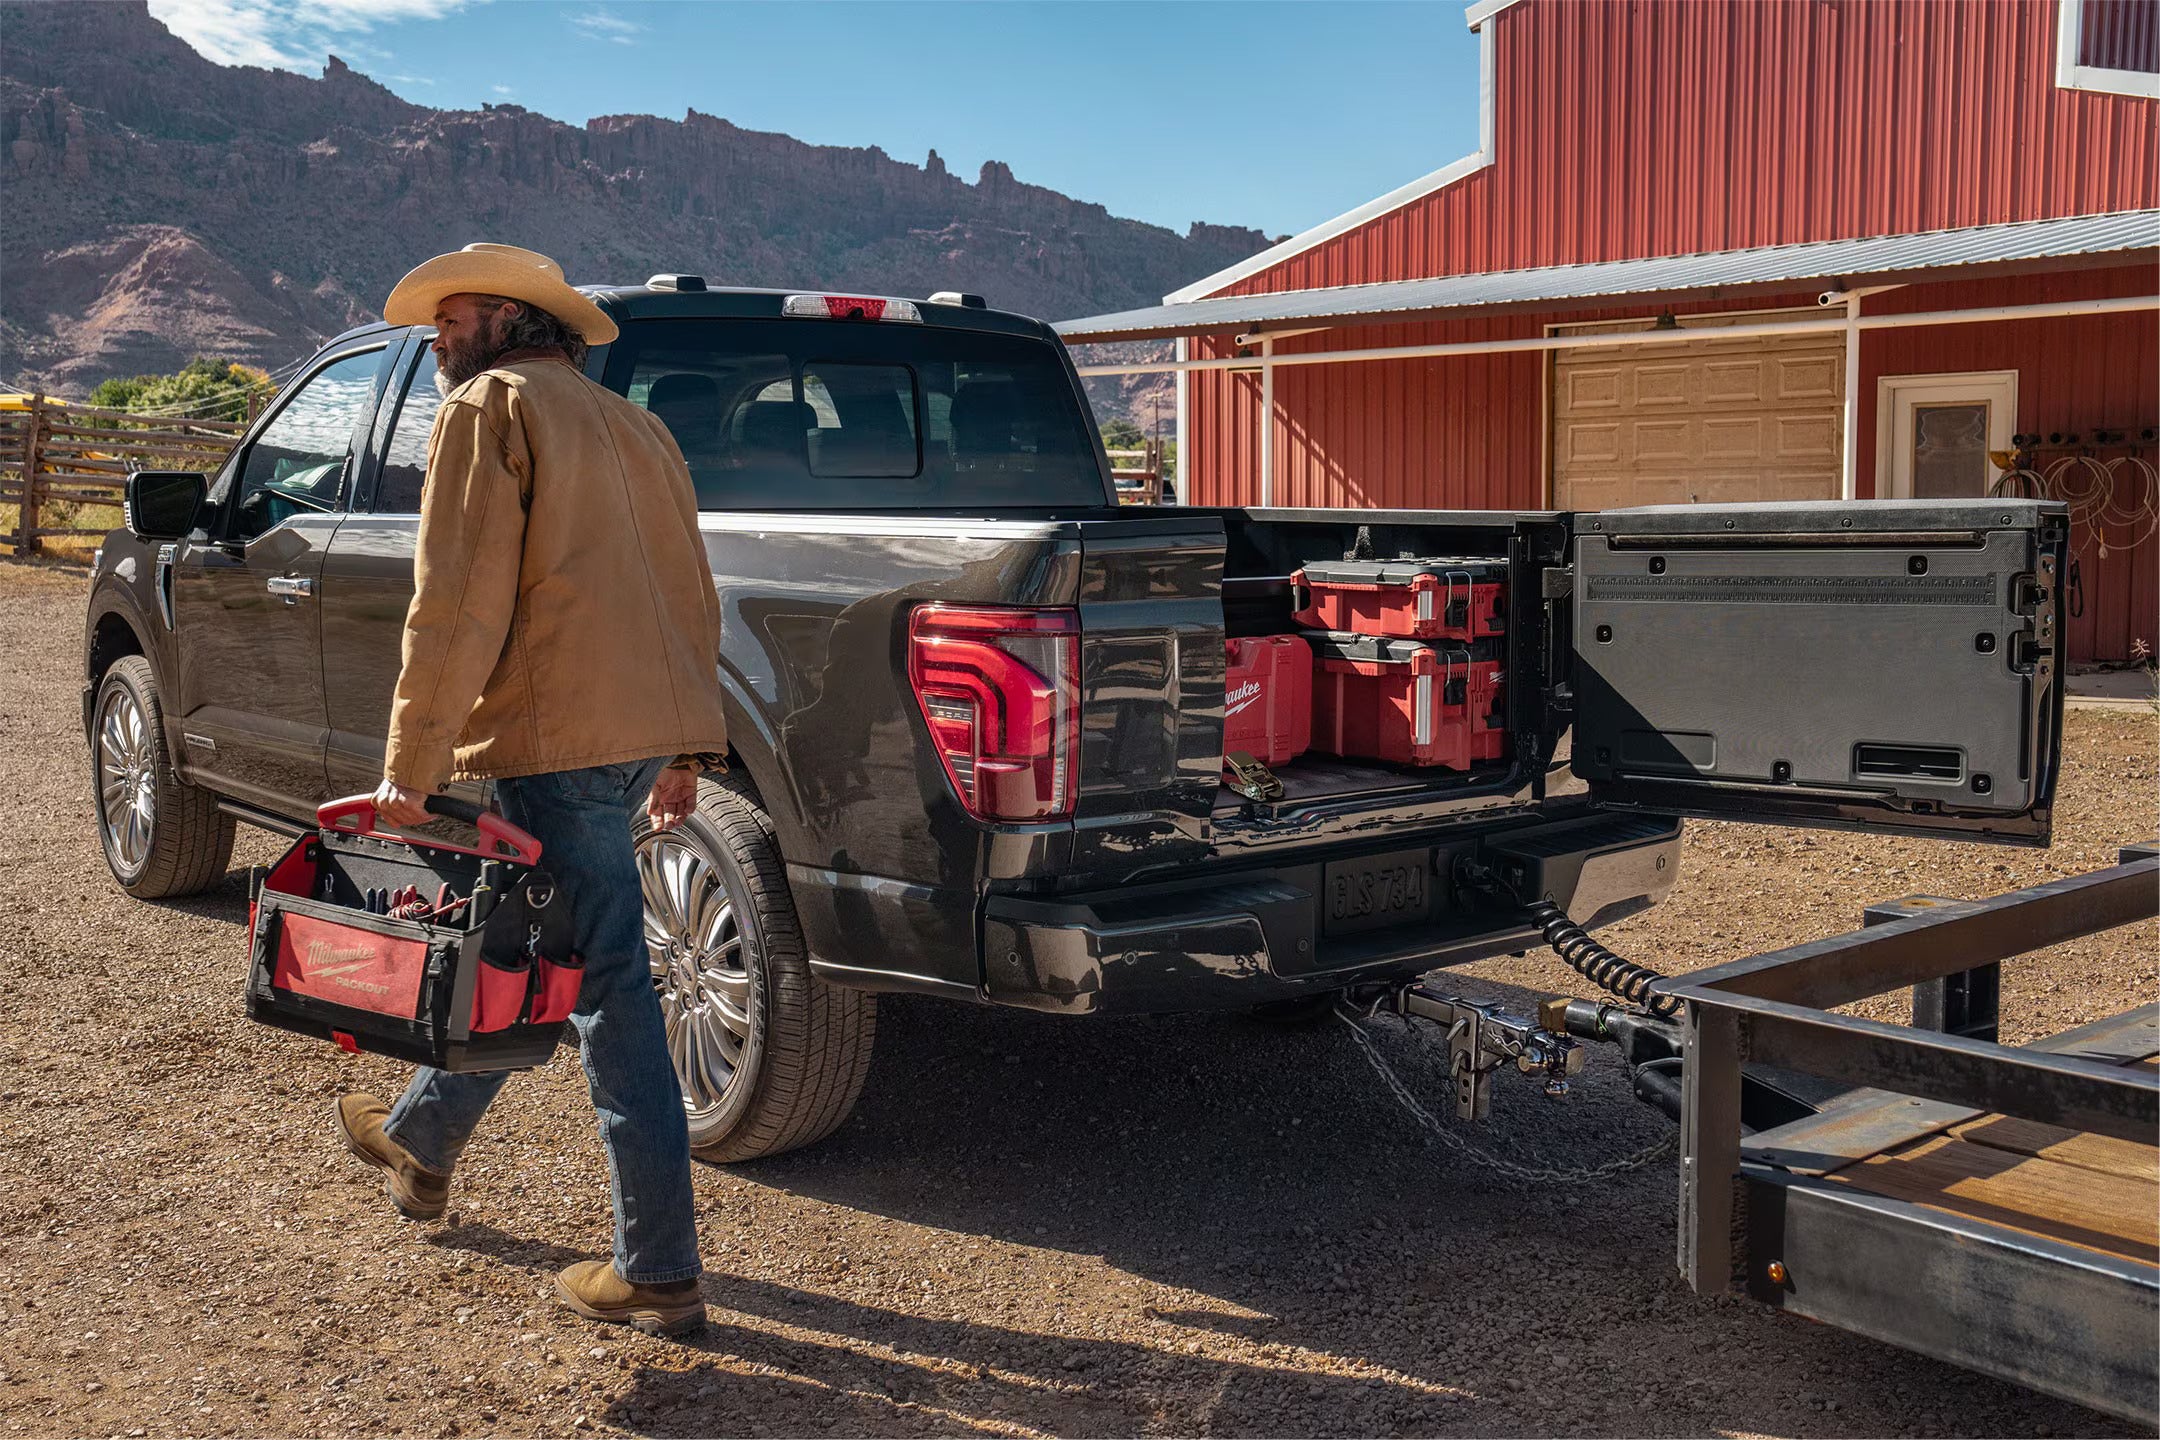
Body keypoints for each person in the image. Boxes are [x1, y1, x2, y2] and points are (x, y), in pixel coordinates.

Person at [331, 243, 730, 1337]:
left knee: (604, 986)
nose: (435, 338)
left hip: (553, 739)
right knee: (528, 955)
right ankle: (422, 1139)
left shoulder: (490, 406)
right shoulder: (637, 425)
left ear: (509, 317)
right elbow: (690, 592)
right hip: (633, 734)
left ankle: (658, 1270)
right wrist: (688, 747)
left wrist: (409, 767)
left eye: (451, 317)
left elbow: (454, 604)